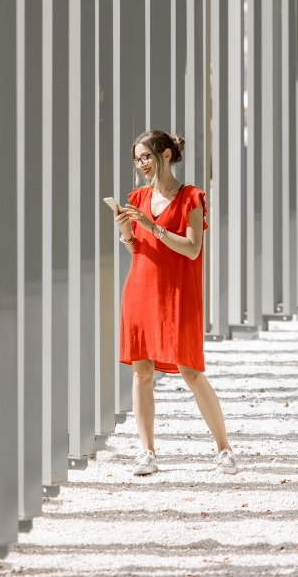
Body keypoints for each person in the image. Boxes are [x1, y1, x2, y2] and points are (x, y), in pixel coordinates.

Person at [113, 130, 237, 476]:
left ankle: (224, 449)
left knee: (191, 372)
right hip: (140, 288)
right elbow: (137, 248)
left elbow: (193, 248)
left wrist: (151, 227)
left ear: (166, 154)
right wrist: (125, 231)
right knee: (142, 372)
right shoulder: (136, 197)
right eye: (137, 159)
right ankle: (147, 451)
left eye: (147, 156)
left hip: (177, 292)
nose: (142, 164)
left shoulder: (191, 198)